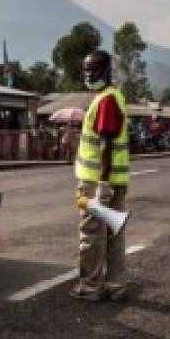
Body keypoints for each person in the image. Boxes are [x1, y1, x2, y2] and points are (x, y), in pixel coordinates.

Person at [72, 49, 129, 301]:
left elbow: (105, 144)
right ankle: (116, 285)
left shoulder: (105, 100)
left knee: (92, 234)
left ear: (106, 71)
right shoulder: (113, 97)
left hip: (97, 182)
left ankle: (91, 286)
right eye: (86, 69)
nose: (88, 74)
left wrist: (102, 185)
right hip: (115, 181)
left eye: (93, 69)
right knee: (113, 233)